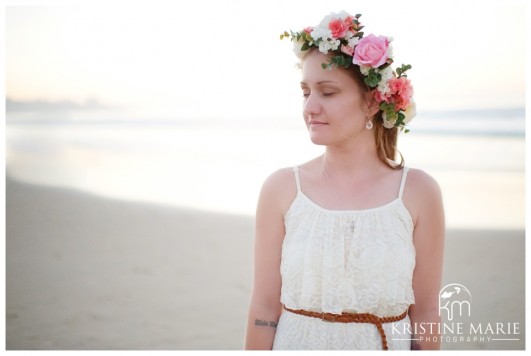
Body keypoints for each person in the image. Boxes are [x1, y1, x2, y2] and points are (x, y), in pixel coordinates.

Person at [245, 11, 444, 350]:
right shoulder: (281, 189)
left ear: (370, 102)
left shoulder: (418, 192)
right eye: (305, 91)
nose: (310, 106)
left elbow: (425, 313)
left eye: (328, 92)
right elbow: (264, 308)